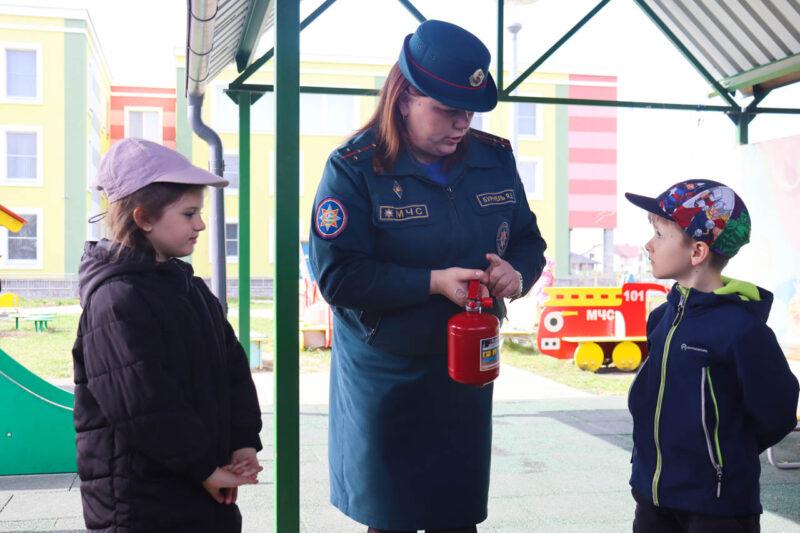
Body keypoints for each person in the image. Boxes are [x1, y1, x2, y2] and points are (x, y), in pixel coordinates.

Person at [309, 19, 547, 533]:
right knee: (391, 517)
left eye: (469, 111)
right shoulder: (354, 167)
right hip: (388, 373)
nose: (461, 123)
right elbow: (337, 276)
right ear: (403, 98)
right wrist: (432, 282)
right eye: (446, 109)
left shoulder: (494, 159)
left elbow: (529, 242)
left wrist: (517, 274)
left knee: (456, 516)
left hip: (466, 369)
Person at [72, 138, 264, 532]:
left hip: (196, 488)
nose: (201, 224)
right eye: (189, 213)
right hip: (140, 504)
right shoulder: (115, 299)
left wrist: (243, 440)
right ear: (144, 218)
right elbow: (144, 406)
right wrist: (205, 469)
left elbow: (232, 367)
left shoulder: (187, 286)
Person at [625, 179, 799, 533]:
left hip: (718, 509)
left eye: (659, 235)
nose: (648, 245)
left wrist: (724, 456)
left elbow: (778, 412)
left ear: (697, 252)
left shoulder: (742, 330)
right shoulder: (661, 318)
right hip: (653, 500)